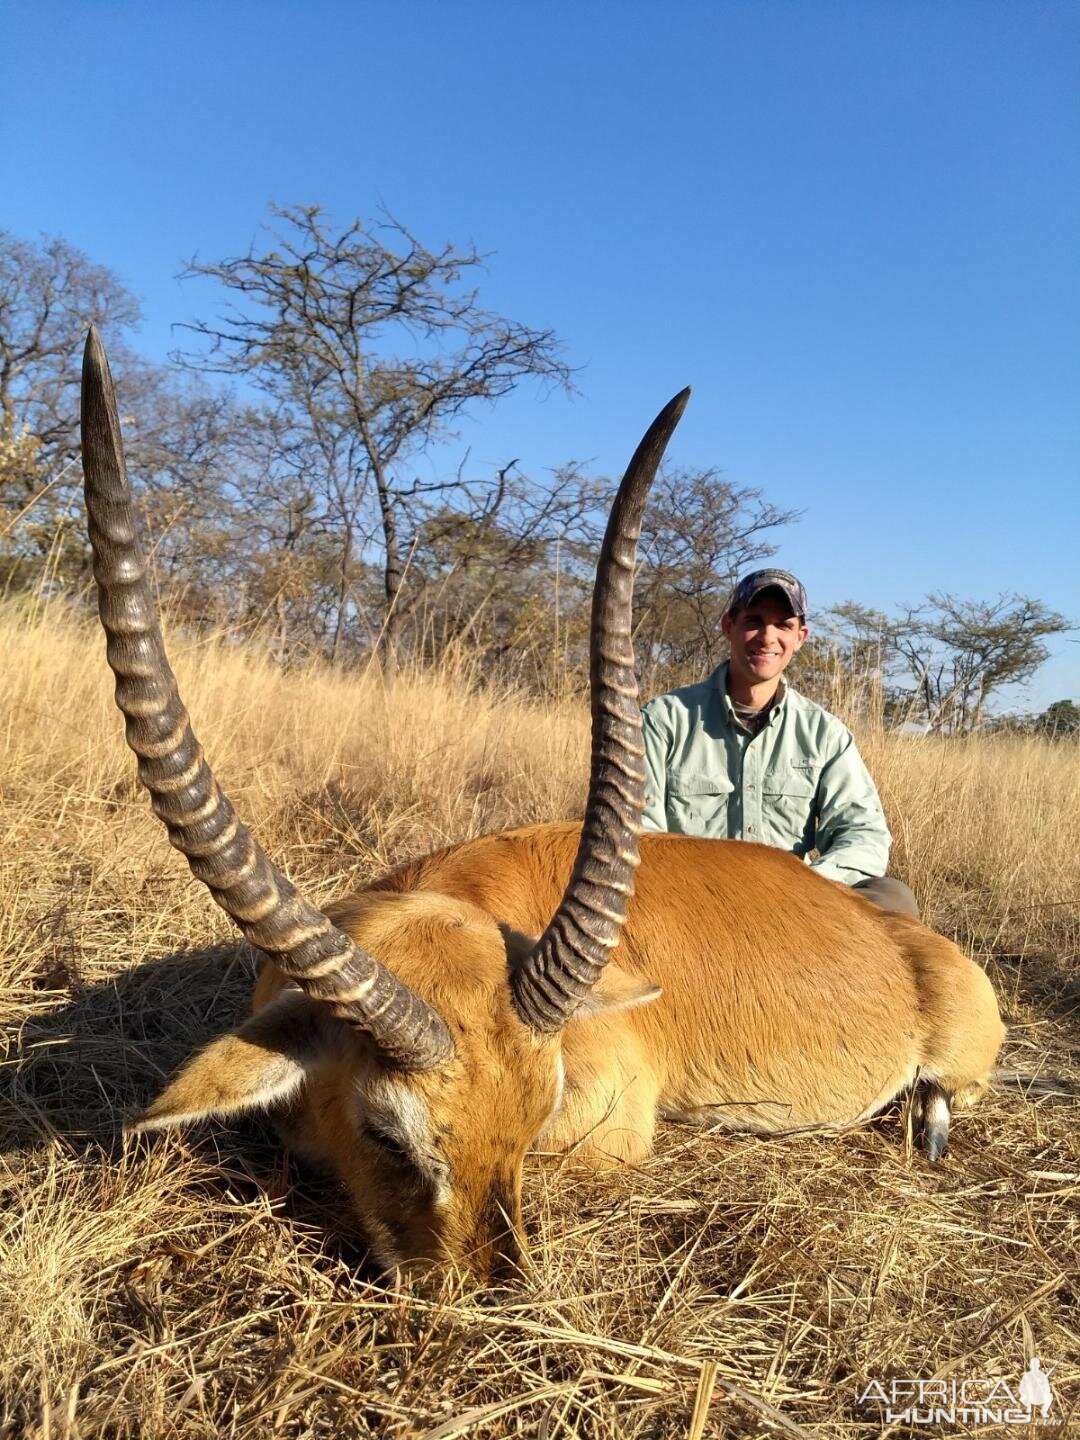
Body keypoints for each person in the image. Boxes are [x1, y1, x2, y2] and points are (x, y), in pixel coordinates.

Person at [640, 567, 919, 916]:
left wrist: (802, 887)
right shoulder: (663, 719)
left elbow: (863, 835)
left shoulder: (824, 733)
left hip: (792, 906)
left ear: (800, 637)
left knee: (892, 898)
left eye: (783, 625)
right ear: (729, 627)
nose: (767, 637)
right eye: (754, 621)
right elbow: (639, 834)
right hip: (689, 904)